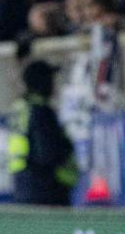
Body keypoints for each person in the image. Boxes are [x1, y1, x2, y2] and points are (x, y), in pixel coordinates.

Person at [9, 60, 77, 206]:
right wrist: (65, 150)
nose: (54, 85)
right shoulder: (40, 111)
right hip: (44, 191)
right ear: (42, 82)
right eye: (50, 79)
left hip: (23, 186)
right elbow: (45, 154)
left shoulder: (21, 108)